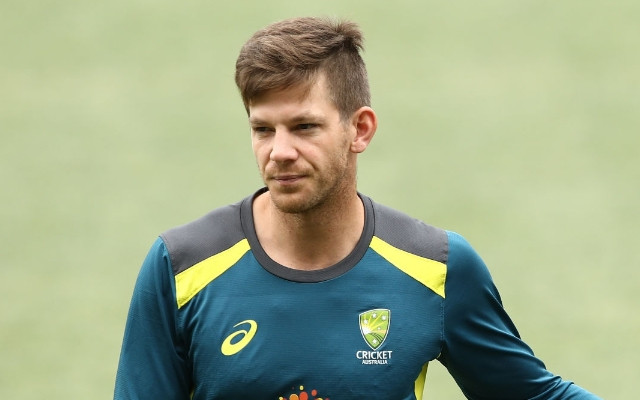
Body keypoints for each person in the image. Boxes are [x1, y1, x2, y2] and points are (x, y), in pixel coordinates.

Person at [114, 16, 600, 400]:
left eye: (304, 127)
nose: (279, 152)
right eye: (263, 129)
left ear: (360, 130)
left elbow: (533, 395)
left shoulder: (436, 269)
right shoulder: (180, 267)